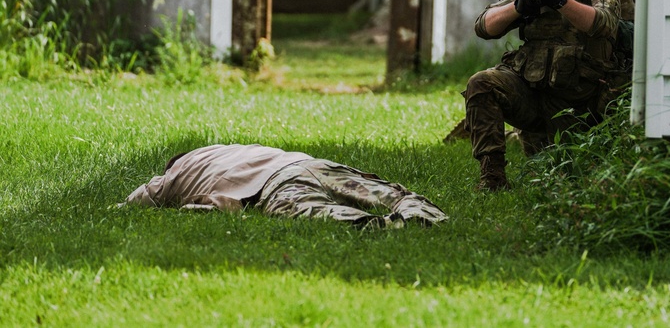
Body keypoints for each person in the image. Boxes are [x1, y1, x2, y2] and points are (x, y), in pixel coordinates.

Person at [463, 0, 621, 191]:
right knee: (482, 82)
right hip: (534, 98)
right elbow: (484, 26)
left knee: (570, 178)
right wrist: (519, 7)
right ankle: (493, 179)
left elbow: (603, 23)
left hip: (580, 111)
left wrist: (561, 1)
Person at [124, 143, 448, 228]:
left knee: (320, 213)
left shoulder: (175, 175)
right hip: (309, 164)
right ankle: (424, 212)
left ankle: (391, 228)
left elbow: (139, 199)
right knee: (385, 193)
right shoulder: (230, 150)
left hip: (278, 186)